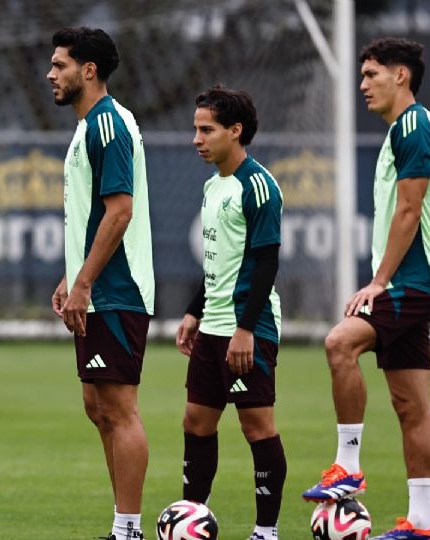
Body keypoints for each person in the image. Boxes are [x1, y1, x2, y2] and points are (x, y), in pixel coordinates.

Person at [302, 38, 430, 540]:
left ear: (400, 76)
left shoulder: (414, 127)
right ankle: (423, 524)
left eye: (371, 74)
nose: (362, 85)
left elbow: (410, 211)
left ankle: (347, 467)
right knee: (411, 404)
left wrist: (379, 282)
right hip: (412, 280)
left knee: (340, 343)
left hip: (411, 280)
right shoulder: (398, 133)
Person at [47, 27, 154, 540]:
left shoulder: (107, 125)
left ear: (88, 71)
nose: (51, 74)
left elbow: (120, 211)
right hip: (97, 286)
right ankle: (123, 524)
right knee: (98, 408)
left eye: (59, 65)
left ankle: (128, 530)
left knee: (118, 407)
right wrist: (73, 274)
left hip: (118, 289)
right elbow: (93, 215)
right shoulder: (90, 125)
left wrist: (86, 282)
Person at [176, 85, 286, 540]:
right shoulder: (212, 184)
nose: (197, 139)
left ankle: (266, 531)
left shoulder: (258, 185)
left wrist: (245, 330)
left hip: (248, 328)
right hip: (214, 327)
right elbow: (219, 259)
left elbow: (265, 261)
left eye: (207, 130)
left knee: (255, 424)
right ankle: (191, 521)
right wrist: (193, 311)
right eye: (196, 129)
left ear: (235, 131)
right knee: (196, 421)